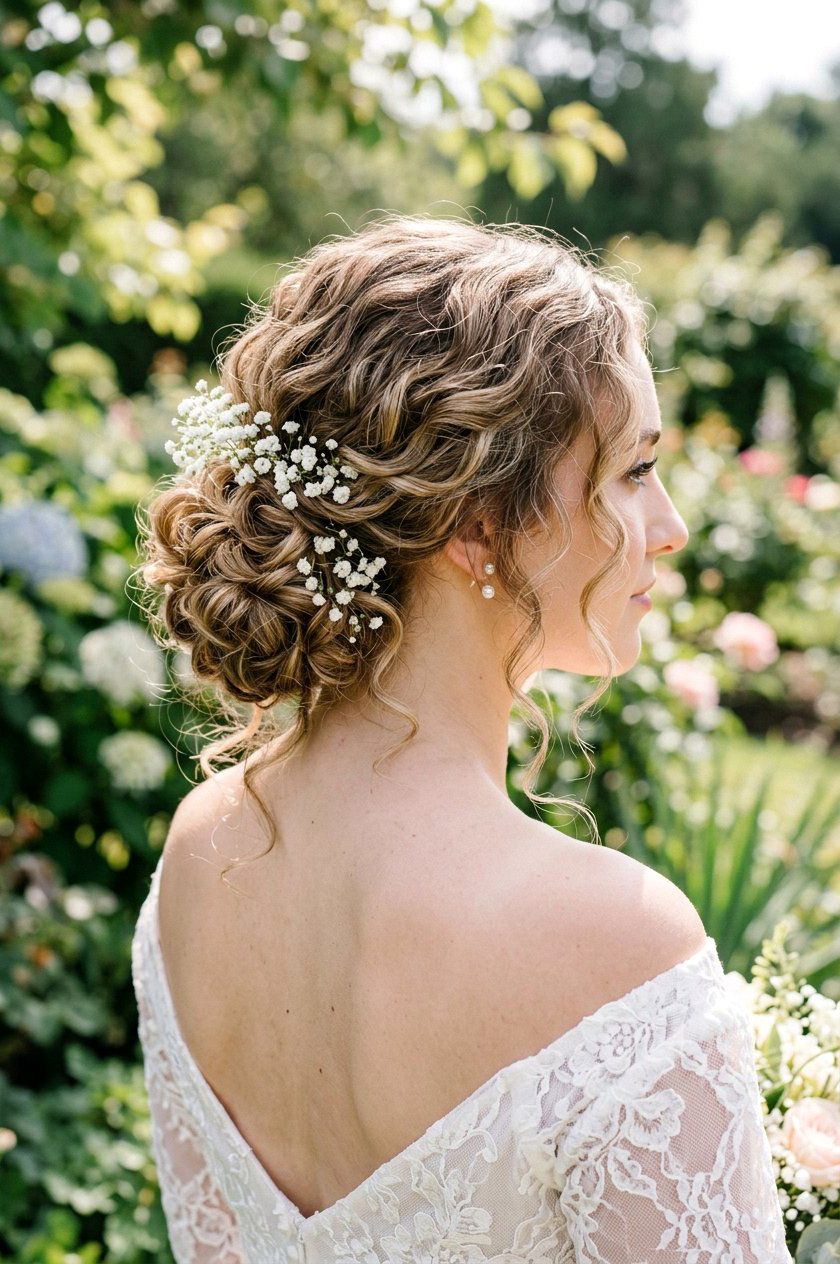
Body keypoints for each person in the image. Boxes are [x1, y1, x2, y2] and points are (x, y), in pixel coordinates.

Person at [130, 214, 793, 1262]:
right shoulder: (613, 943)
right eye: (630, 471)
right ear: (476, 525)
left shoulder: (199, 854)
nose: (668, 525)